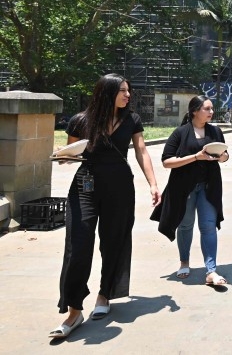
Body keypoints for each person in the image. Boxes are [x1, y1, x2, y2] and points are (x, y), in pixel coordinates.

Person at [50, 74, 160, 339]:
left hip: (120, 187)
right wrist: (63, 157)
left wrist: (153, 184)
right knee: (78, 245)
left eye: (128, 91)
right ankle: (74, 310)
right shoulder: (80, 120)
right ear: (107, 92)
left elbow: (141, 150)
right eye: (123, 90)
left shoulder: (131, 119)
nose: (128, 95)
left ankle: (104, 294)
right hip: (84, 187)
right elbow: (69, 156)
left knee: (114, 242)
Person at [150, 96, 230, 286]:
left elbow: (225, 157)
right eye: (207, 109)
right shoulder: (180, 133)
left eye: (212, 109)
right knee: (185, 225)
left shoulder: (215, 131)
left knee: (208, 226)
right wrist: (196, 157)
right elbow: (166, 161)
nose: (211, 112)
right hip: (185, 188)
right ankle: (184, 262)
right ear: (195, 111)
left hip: (209, 187)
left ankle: (211, 271)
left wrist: (222, 157)